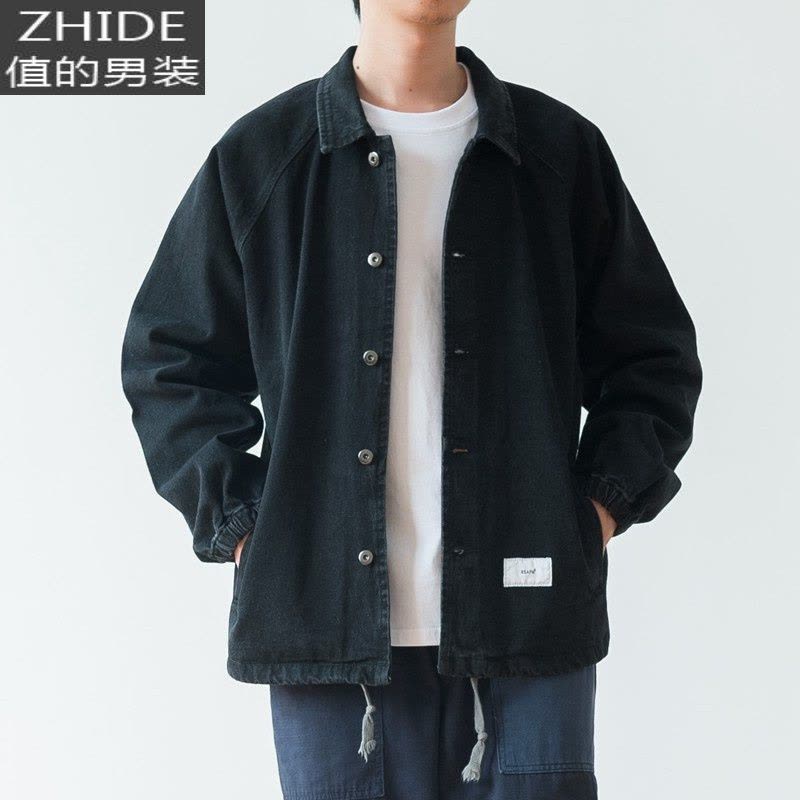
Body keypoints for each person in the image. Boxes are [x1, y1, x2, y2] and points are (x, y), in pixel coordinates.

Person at [121, 1, 702, 797]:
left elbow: (653, 357)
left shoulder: (558, 152)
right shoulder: (264, 157)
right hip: (326, 628)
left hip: (528, 617)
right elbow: (168, 360)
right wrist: (247, 526)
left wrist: (596, 509)